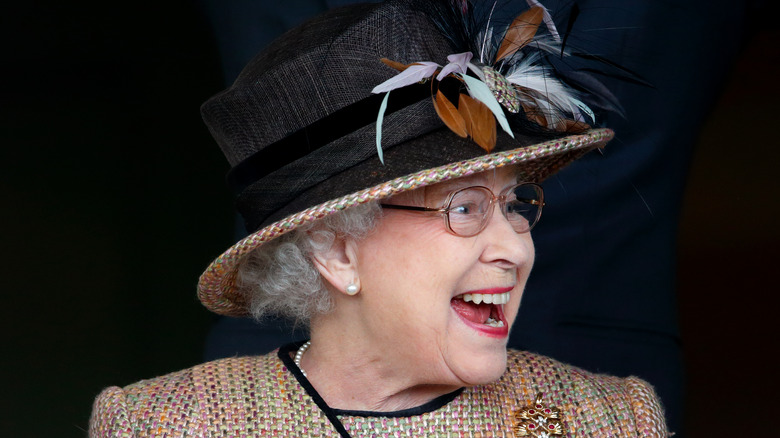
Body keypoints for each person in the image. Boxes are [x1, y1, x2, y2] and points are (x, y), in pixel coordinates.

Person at [90, 0, 669, 436]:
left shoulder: (612, 420)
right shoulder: (165, 424)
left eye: (515, 205)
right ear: (337, 249)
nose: (516, 250)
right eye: (465, 208)